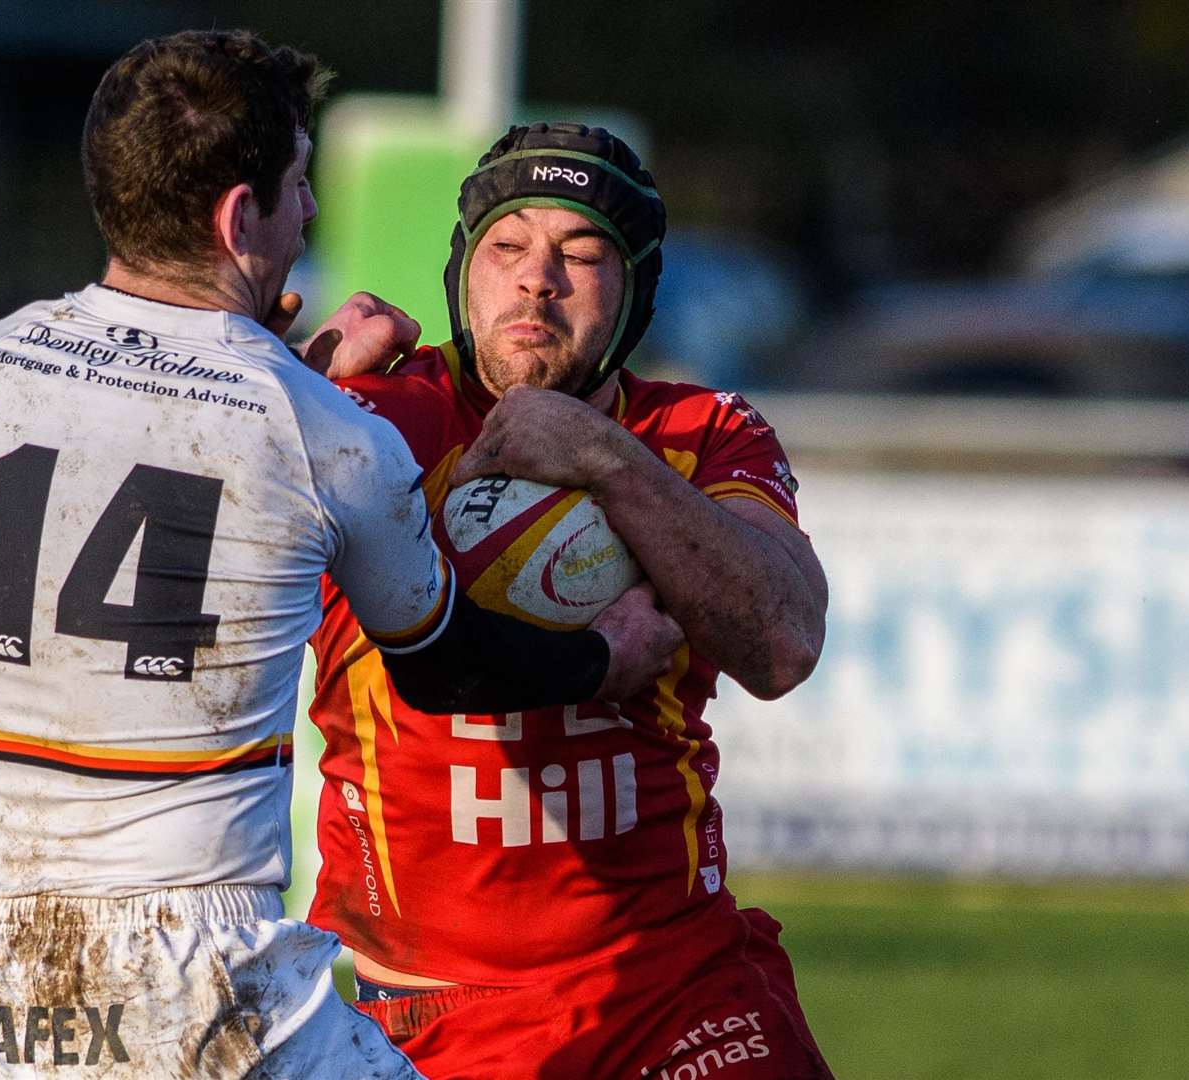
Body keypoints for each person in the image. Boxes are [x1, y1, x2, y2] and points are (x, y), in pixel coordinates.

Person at [0, 36, 681, 1079]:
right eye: (297, 186)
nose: (313, 212)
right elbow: (443, 664)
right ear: (240, 219)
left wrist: (281, 360)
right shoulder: (321, 429)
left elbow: (140, 397)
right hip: (201, 977)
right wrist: (606, 658)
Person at [306, 123, 834, 1079]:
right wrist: (293, 384)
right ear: (463, 272)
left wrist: (605, 458)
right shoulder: (370, 414)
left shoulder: (702, 435)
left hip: (669, 982)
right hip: (429, 1010)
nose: (537, 279)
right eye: (507, 247)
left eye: (582, 254)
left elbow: (784, 643)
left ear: (633, 293)